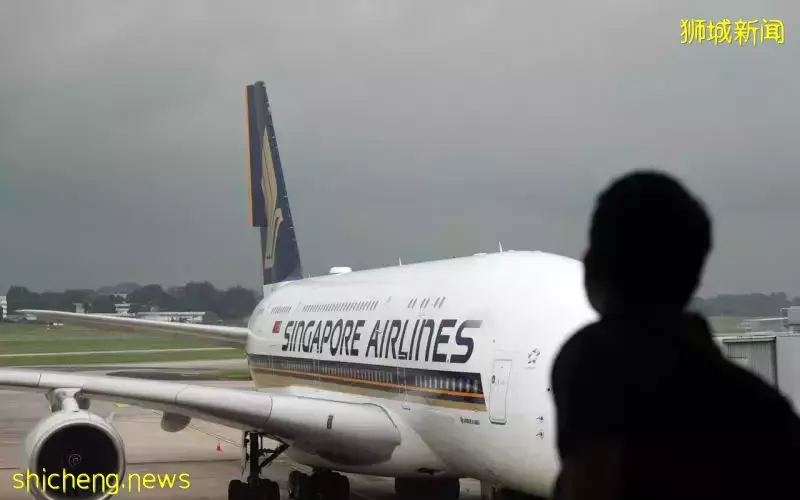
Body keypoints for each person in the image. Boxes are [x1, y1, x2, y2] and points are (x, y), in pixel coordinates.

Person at [550, 170, 800, 500]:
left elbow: (591, 481)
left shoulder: (592, 361)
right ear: (696, 277)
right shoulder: (767, 412)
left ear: (591, 267)